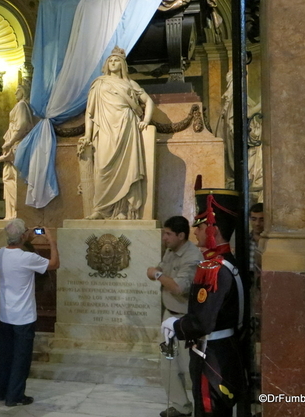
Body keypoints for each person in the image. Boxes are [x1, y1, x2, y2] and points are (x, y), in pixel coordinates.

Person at [161, 189, 247, 417]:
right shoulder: (227, 261)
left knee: (209, 410)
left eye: (199, 227)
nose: (196, 232)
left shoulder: (214, 268)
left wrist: (176, 326)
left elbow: (202, 321)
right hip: (224, 349)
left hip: (212, 354)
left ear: (213, 230)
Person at [78, 45, 154, 220]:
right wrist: (88, 136)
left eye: (116, 60)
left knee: (126, 169)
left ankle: (122, 210)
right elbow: (90, 113)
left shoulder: (129, 84)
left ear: (122, 64)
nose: (113, 63)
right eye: (110, 60)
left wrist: (146, 120)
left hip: (126, 128)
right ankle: (101, 209)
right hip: (104, 129)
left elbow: (148, 101)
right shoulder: (99, 83)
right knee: (103, 167)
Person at [0, 219, 60, 407]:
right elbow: (54, 264)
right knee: (21, 358)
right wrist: (51, 241)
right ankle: (14, 396)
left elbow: (18, 248)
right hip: (23, 316)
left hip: (4, 315)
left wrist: (26, 237)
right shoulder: (27, 258)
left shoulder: (0, 254)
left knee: (4, 356)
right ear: (23, 235)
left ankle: (1, 391)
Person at [146, 216, 202, 417]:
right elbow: (161, 270)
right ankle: (180, 407)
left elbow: (179, 288)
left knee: (190, 368)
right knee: (168, 364)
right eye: (164, 233)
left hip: (186, 320)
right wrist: (158, 272)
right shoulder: (171, 250)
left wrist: (158, 276)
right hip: (169, 316)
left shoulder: (192, 256)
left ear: (181, 235)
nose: (164, 238)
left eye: (168, 234)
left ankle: (202, 408)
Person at [0, 83, 35, 219]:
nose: (15, 93)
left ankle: (15, 212)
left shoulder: (21, 106)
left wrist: (10, 142)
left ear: (24, 92)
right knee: (10, 177)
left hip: (17, 145)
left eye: (18, 90)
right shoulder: (26, 106)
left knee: (11, 177)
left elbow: (22, 124)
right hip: (17, 144)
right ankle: (12, 212)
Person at [249, 202, 264, 272]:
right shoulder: (244, 241)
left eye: (262, 220)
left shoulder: (272, 243)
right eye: (254, 219)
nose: (257, 223)